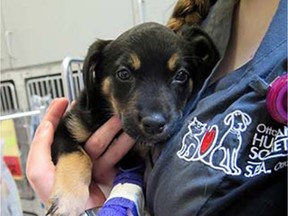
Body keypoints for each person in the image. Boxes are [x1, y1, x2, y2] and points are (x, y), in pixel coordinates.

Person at [26, 0, 287, 215]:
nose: (153, 114)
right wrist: (74, 188)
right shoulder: (210, 18)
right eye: (125, 75)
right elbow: (65, 137)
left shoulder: (204, 47)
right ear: (95, 76)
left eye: (179, 76)